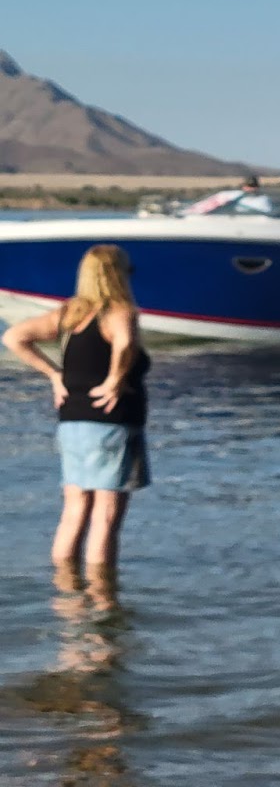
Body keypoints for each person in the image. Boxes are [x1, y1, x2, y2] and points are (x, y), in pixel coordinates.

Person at [2, 244, 151, 576]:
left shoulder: (69, 314)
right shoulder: (120, 312)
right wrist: (115, 380)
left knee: (74, 511)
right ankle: (102, 593)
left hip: (72, 423)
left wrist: (55, 374)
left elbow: (14, 337)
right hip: (112, 423)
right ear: (117, 275)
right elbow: (125, 342)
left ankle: (66, 588)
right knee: (106, 516)